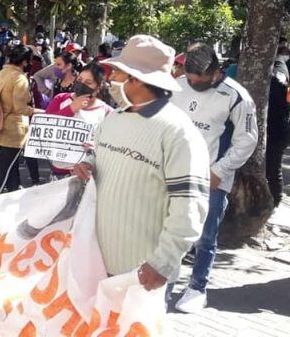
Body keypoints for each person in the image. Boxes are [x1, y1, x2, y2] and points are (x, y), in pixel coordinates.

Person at [73, 35, 209, 297]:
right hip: (97, 263)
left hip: (142, 274)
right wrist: (87, 164)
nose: (111, 78)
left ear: (137, 79)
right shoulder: (113, 120)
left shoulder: (179, 133)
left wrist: (163, 263)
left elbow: (190, 206)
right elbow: (99, 157)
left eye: (117, 72)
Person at [170, 43, 257, 313]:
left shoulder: (237, 97)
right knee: (168, 228)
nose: (193, 82)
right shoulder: (178, 86)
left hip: (212, 178)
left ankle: (197, 287)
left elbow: (247, 140)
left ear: (216, 72)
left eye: (199, 79)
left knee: (206, 237)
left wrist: (220, 170)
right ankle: (165, 279)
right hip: (174, 172)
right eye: (190, 77)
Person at [45, 63, 112, 179]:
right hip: (59, 171)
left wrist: (97, 147)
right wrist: (70, 109)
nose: (81, 84)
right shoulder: (60, 99)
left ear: (98, 87)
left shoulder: (107, 112)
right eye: (80, 79)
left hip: (88, 174)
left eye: (88, 83)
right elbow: (45, 126)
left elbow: (112, 145)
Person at [0, 45, 38, 195]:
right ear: (24, 62)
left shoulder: (1, 74)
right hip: (14, 128)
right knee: (6, 165)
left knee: (10, 163)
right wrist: (37, 111)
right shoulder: (20, 79)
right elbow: (20, 108)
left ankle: (13, 190)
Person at [267, 46, 290, 206]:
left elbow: (278, 87)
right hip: (279, 124)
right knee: (272, 166)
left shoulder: (279, 66)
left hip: (277, 126)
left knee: (272, 166)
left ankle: (276, 199)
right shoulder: (281, 66)